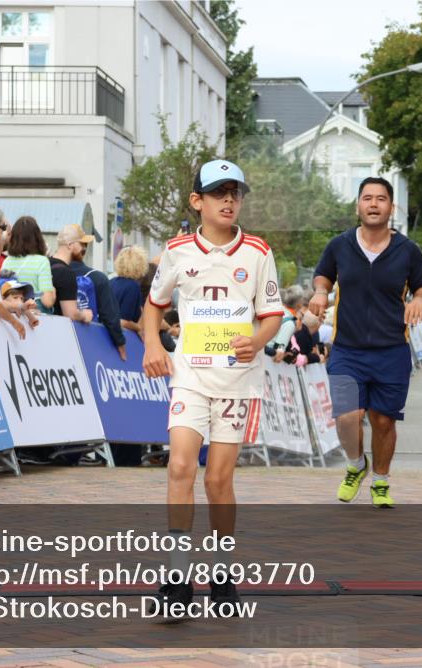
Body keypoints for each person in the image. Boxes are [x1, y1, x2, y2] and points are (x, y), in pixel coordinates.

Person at [142, 159, 283, 617]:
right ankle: (177, 579)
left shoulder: (258, 251)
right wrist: (151, 345)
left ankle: (222, 573)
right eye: (218, 192)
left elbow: (273, 314)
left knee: (218, 480)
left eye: (235, 192)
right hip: (190, 377)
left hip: (238, 382)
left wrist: (257, 341)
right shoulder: (178, 250)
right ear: (196, 201)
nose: (228, 200)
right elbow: (154, 304)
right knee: (179, 468)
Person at [308, 176, 422, 508]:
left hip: (391, 349)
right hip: (347, 349)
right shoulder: (340, 245)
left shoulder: (407, 250)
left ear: (392, 207)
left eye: (381, 198)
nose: (374, 203)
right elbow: (323, 275)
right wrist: (321, 291)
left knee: (383, 420)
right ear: (358, 206)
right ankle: (355, 465)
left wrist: (419, 300)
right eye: (367, 198)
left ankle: (380, 481)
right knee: (347, 416)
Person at [60, 223, 128, 361]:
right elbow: (110, 316)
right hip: (90, 346)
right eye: (83, 244)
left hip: (57, 344)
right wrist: (120, 343)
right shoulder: (98, 277)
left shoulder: (50, 272)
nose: (85, 248)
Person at [1, 216, 56, 311]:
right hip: (37, 318)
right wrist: (53, 291)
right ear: (37, 237)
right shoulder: (42, 261)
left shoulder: (7, 261)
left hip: (14, 316)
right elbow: (47, 301)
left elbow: (3, 294)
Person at [48, 226, 95, 324]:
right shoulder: (66, 273)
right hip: (58, 332)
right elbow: (71, 314)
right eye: (82, 244)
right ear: (70, 245)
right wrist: (84, 315)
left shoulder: (45, 264)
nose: (84, 248)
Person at [110, 246, 149, 333]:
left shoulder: (111, 282)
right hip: (123, 337)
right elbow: (123, 322)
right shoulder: (132, 287)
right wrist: (139, 328)